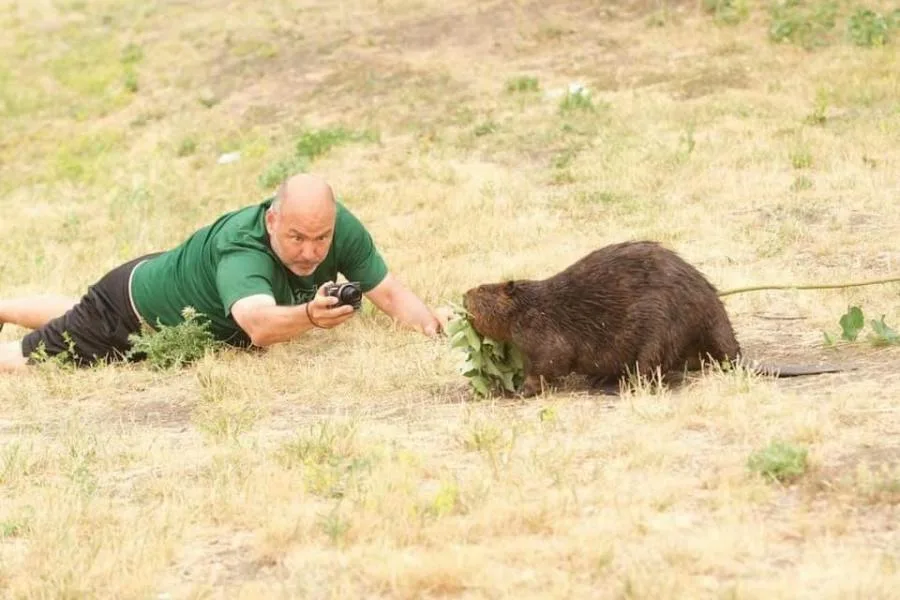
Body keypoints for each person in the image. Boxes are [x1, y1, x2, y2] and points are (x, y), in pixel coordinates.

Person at [0, 173, 451, 373]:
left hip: (154, 280)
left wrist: (435, 327)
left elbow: (390, 294)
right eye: (297, 238)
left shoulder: (335, 225)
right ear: (272, 220)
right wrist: (311, 316)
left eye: (321, 238)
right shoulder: (242, 247)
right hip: (133, 310)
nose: (312, 251)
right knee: (30, 360)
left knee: (78, 314)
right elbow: (257, 326)